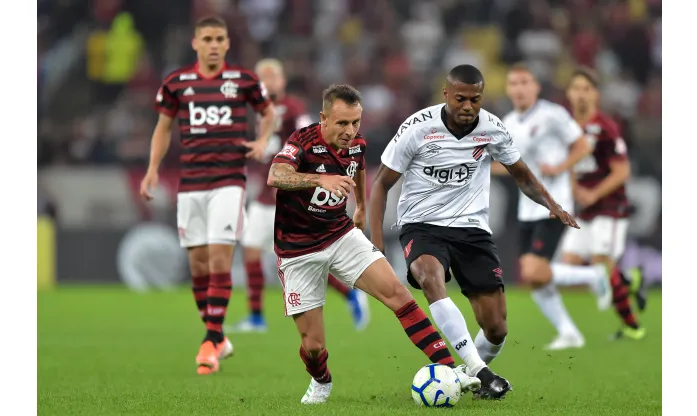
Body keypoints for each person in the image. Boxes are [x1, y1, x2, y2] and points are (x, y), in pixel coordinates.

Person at [369, 65, 580, 399]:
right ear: (446, 95)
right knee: (428, 275)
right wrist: (377, 245)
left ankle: (470, 375)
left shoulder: (492, 128)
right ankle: (480, 371)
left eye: (475, 100)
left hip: (471, 228)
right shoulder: (418, 127)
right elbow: (381, 184)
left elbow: (522, 174)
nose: (468, 107)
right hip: (422, 224)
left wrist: (551, 204)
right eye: (461, 99)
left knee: (496, 328)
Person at [268, 84, 480, 404]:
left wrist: (362, 206)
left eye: (355, 122)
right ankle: (321, 380)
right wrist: (317, 178)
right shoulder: (302, 143)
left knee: (398, 294)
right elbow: (276, 175)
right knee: (313, 346)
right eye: (341, 123)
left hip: (340, 235)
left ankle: (451, 369)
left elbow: (360, 170)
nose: (350, 131)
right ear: (324, 118)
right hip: (297, 250)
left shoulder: (357, 144)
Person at [140, 16, 277, 375]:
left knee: (219, 258)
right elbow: (163, 128)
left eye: (220, 38)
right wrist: (153, 168)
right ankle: (219, 340)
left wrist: (263, 140)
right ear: (195, 43)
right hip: (191, 184)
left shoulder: (243, 80)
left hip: (229, 182)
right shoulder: (176, 83)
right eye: (208, 39)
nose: (214, 44)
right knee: (198, 265)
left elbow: (269, 113)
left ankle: (210, 338)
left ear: (227, 44)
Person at [229, 59, 371, 334]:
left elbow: (312, 139)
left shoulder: (292, 109)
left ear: (282, 82)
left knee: (304, 257)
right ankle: (256, 317)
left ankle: (349, 294)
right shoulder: (260, 112)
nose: (267, 82)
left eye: (272, 77)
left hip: (289, 193)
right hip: (267, 191)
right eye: (262, 78)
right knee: (253, 249)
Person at [495, 63, 612, 350]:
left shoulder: (553, 115)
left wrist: (560, 167)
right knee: (533, 276)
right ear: (508, 89)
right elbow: (509, 166)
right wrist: (478, 167)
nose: (519, 88)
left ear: (535, 87)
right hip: (527, 206)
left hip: (554, 204)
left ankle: (593, 275)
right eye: (514, 83)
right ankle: (569, 332)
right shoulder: (508, 122)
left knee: (535, 271)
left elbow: (583, 146)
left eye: (525, 82)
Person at [558, 67, 646, 340]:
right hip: (585, 210)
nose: (581, 94)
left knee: (601, 265)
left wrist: (593, 194)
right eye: (576, 89)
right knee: (569, 263)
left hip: (610, 208)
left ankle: (632, 327)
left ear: (595, 94)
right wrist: (574, 190)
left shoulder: (605, 127)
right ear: (569, 94)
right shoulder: (568, 128)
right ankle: (629, 279)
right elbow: (570, 166)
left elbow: (622, 171)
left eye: (587, 89)